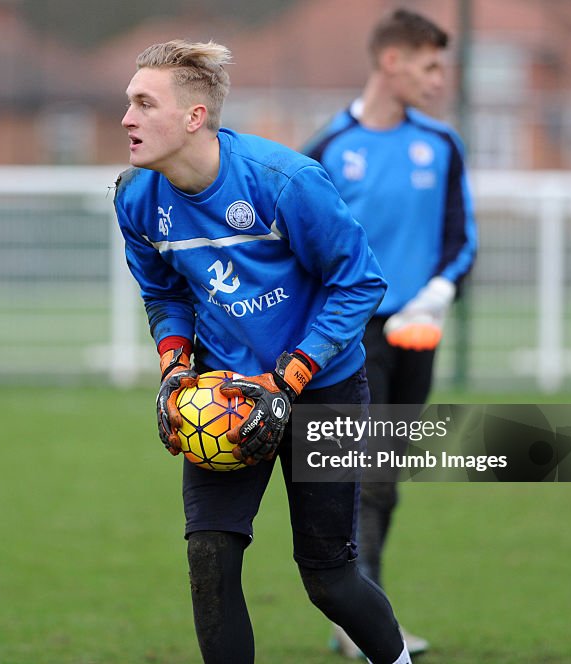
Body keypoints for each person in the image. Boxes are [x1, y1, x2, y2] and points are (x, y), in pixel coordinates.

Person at [113, 39, 413, 664]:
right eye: (128, 103)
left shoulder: (286, 182)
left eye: (144, 103)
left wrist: (287, 380)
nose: (127, 119)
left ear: (194, 117)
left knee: (329, 577)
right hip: (222, 397)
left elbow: (360, 283)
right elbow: (164, 292)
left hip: (324, 389)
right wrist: (175, 368)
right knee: (210, 559)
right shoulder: (136, 199)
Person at [303, 9, 478, 658]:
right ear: (391, 62)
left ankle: (355, 606)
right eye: (431, 66)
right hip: (350, 339)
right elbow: (299, 251)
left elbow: (463, 239)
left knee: (386, 478)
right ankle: (362, 624)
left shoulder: (442, 145)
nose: (441, 79)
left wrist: (434, 295)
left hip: (419, 334)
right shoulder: (326, 150)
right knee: (365, 475)